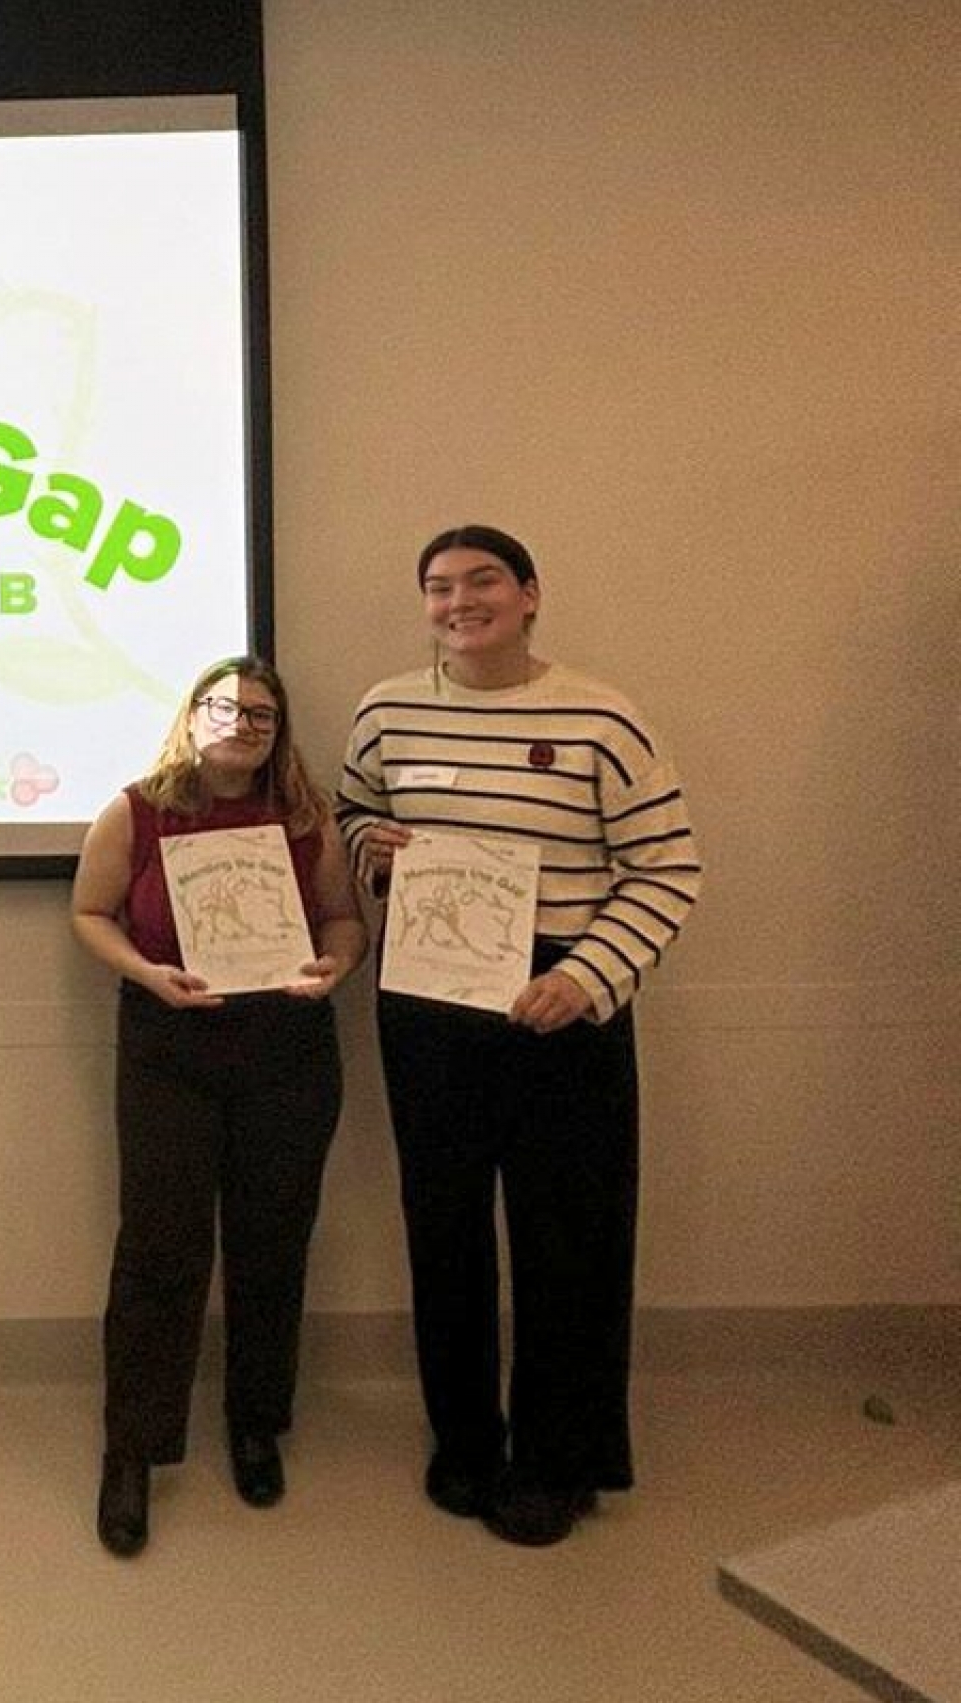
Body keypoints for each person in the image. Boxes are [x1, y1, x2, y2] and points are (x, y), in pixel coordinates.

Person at [338, 523, 701, 1547]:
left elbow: (668, 869)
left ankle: (555, 1463)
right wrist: (376, 847)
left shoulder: (601, 715)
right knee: (441, 1232)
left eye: (482, 581)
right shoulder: (386, 708)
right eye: (438, 587)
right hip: (428, 997)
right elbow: (354, 805)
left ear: (530, 593)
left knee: (567, 1243)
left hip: (560, 1006)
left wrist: (583, 979)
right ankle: (463, 1445)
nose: (460, 602)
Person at [71, 656, 366, 1558]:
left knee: (272, 1242)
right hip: (170, 1046)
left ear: (281, 731)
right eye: (226, 708)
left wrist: (335, 968)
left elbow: (345, 925)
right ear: (191, 716)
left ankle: (255, 1425)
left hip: (287, 1050)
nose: (244, 724)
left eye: (263, 714)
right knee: (160, 1249)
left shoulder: (306, 817)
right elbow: (91, 911)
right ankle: (134, 1449)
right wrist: (148, 975)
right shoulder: (137, 809)